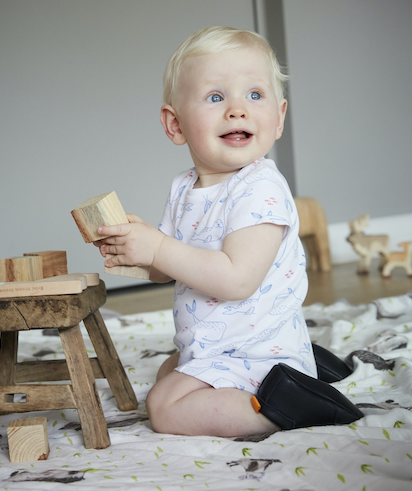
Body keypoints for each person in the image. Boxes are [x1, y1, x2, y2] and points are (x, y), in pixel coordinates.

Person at [95, 26, 317, 438]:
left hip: (255, 352)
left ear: (279, 117)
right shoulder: (184, 187)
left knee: (164, 408)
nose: (237, 110)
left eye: (254, 94)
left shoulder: (261, 188)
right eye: (216, 97)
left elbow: (236, 279)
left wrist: (159, 247)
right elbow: (169, 269)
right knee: (168, 370)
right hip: (216, 345)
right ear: (175, 124)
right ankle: (282, 382)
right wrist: (138, 249)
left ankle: (290, 404)